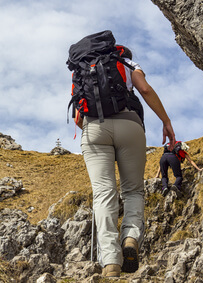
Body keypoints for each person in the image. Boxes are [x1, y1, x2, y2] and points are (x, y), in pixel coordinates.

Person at [77, 46, 176, 277]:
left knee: (103, 193)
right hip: (129, 124)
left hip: (94, 129)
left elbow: (77, 116)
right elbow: (145, 89)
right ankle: (130, 239)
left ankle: (110, 261)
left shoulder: (83, 68)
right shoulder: (129, 64)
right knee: (133, 191)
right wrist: (166, 120)